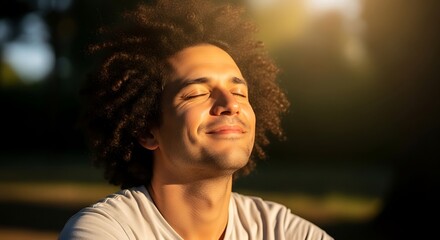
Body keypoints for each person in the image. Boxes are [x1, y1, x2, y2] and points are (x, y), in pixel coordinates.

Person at [59, 0, 334, 239]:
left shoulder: (283, 231)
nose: (230, 105)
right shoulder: (106, 231)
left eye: (239, 92)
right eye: (197, 94)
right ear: (147, 131)